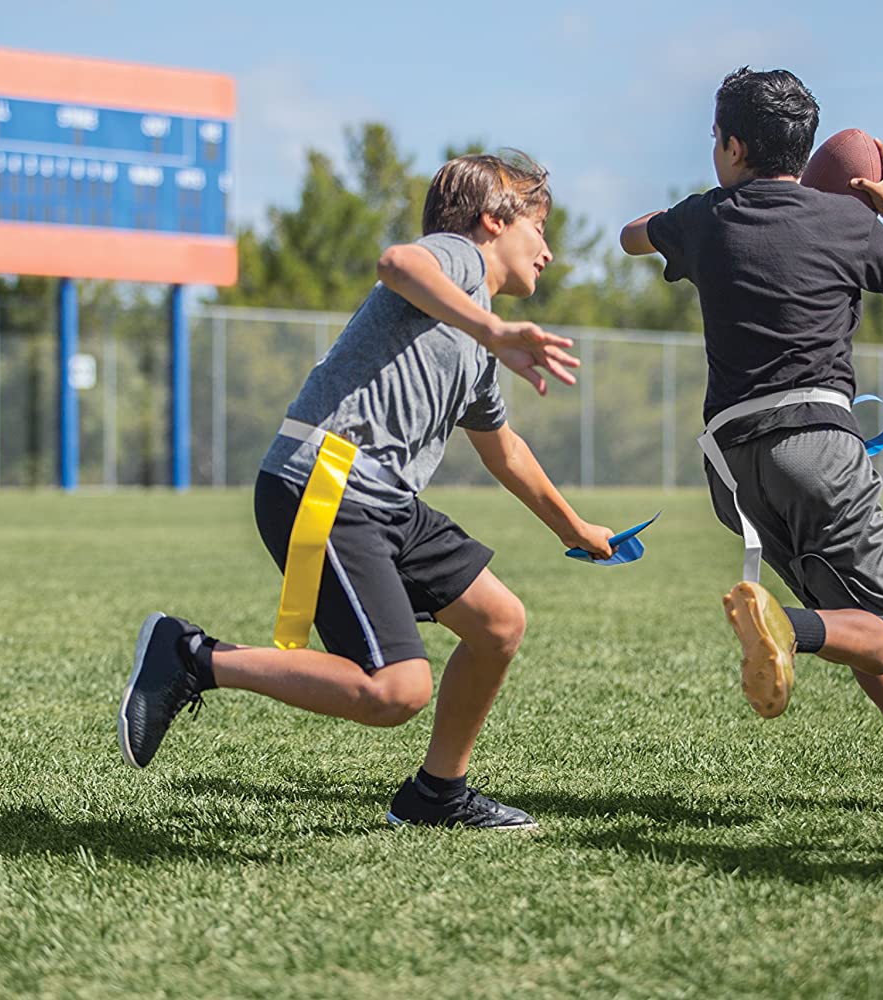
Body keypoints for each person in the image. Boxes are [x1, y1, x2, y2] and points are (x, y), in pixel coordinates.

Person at [119, 151, 614, 829]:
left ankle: (436, 794)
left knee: (498, 623)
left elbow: (505, 450)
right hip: (328, 482)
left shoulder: (475, 336)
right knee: (395, 692)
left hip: (383, 499)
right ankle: (192, 655)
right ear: (494, 220)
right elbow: (397, 264)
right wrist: (495, 330)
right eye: (540, 228)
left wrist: (575, 529)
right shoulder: (460, 262)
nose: (550, 252)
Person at [619, 67, 883, 820]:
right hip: (818, 448)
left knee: (846, 612)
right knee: (880, 631)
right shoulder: (852, 225)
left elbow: (629, 238)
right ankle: (786, 624)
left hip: (732, 469)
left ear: (731, 144)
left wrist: (683, 220)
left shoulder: (706, 215)